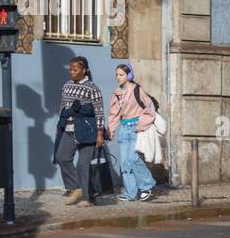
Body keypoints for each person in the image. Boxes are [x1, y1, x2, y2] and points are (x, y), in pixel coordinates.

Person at [53, 55, 106, 208]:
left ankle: (87, 198)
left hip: (87, 131)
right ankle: (76, 188)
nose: (72, 72)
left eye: (75, 69)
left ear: (85, 70)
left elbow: (99, 112)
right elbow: (62, 107)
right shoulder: (66, 85)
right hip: (69, 129)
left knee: (83, 165)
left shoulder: (93, 88)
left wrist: (100, 133)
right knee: (61, 157)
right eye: (70, 69)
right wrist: (60, 126)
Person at [108, 62, 158, 202]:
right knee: (125, 162)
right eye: (117, 74)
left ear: (129, 75)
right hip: (124, 130)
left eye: (121, 74)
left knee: (133, 159)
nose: (118, 77)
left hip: (136, 128)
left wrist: (140, 125)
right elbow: (114, 114)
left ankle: (147, 185)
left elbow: (150, 108)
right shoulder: (117, 93)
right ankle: (130, 193)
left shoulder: (137, 90)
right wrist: (111, 130)